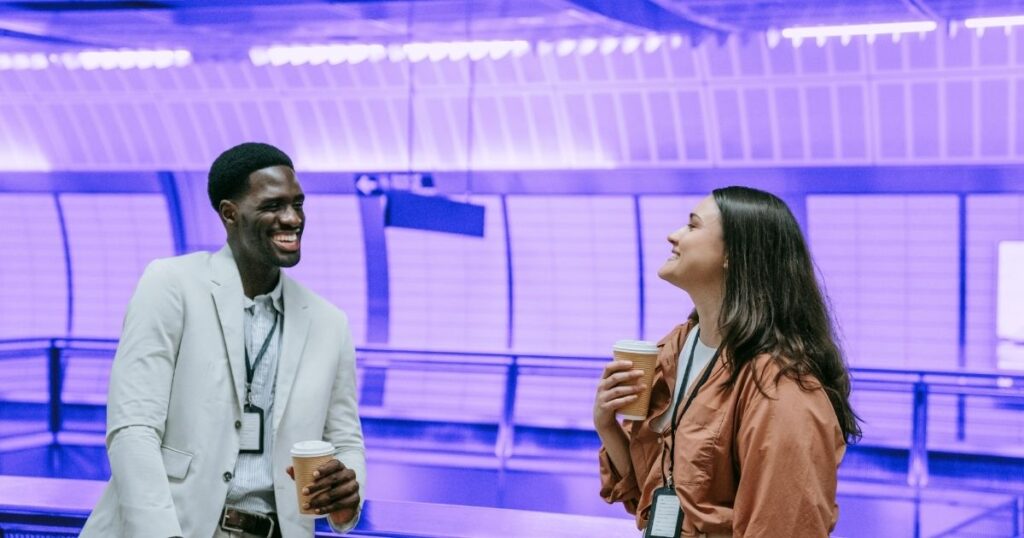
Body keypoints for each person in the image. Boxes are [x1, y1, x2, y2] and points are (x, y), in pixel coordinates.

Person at [81, 142, 365, 538]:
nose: (292, 218)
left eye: (298, 204)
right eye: (273, 206)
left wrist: (347, 494)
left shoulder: (329, 322)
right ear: (230, 213)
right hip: (174, 528)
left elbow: (346, 441)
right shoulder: (171, 284)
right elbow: (133, 429)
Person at [594, 186, 860, 537]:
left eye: (693, 225)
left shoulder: (780, 387)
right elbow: (650, 487)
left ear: (733, 254)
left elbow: (784, 524)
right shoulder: (675, 348)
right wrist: (606, 424)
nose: (673, 235)